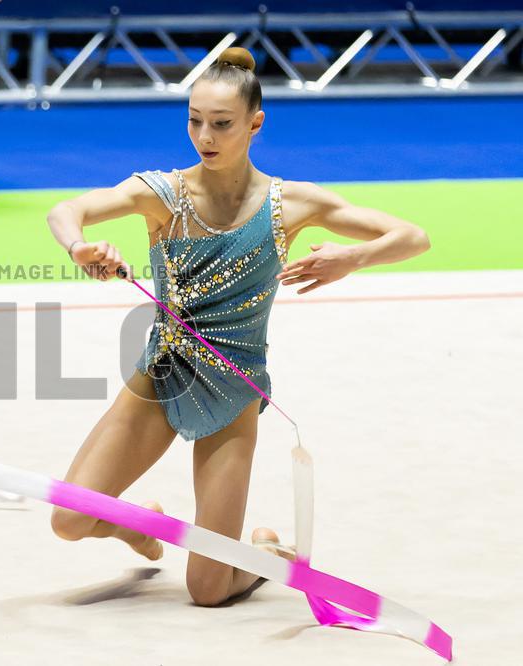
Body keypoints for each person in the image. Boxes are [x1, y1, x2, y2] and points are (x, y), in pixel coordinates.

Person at [44, 47, 431, 607]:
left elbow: (412, 236)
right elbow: (66, 211)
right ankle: (137, 524)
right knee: (69, 520)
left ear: (255, 123)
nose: (205, 136)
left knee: (208, 590)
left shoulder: (290, 203)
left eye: (222, 124)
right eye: (194, 121)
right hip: (163, 372)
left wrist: (351, 259)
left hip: (233, 390)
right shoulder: (166, 195)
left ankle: (269, 553)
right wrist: (80, 245)